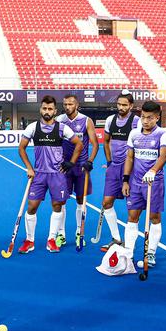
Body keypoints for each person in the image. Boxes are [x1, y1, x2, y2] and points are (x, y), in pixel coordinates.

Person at [16, 96, 84, 253]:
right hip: (39, 174)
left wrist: (71, 163)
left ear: (55, 111)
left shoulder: (62, 128)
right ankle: (29, 240)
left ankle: (52, 239)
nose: (47, 111)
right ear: (41, 109)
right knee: (32, 206)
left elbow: (79, 144)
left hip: (57, 174)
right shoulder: (33, 127)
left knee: (57, 206)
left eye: (50, 109)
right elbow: (21, 148)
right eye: (44, 108)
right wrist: (29, 167)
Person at [121, 100, 166, 268]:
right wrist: (126, 180)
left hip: (154, 183)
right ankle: (128, 252)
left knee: (154, 217)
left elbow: (163, 156)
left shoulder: (163, 134)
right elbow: (129, 157)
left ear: (157, 118)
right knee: (132, 217)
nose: (145, 121)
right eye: (143, 117)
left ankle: (150, 253)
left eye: (149, 118)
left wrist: (153, 171)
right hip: (135, 183)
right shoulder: (134, 134)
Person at [55, 94, 98, 247]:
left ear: (77, 105)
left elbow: (95, 143)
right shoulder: (59, 120)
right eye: (65, 104)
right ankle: (61, 234)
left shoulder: (86, 120)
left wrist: (90, 161)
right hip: (64, 167)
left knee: (81, 201)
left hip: (80, 167)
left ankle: (79, 232)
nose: (67, 107)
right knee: (60, 201)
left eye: (71, 104)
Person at [98, 91, 136, 251]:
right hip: (114, 167)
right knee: (107, 202)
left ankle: (129, 244)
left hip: (132, 168)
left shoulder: (137, 121)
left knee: (132, 208)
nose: (121, 107)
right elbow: (106, 141)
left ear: (131, 106)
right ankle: (116, 239)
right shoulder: (110, 120)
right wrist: (109, 161)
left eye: (124, 105)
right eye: (119, 104)